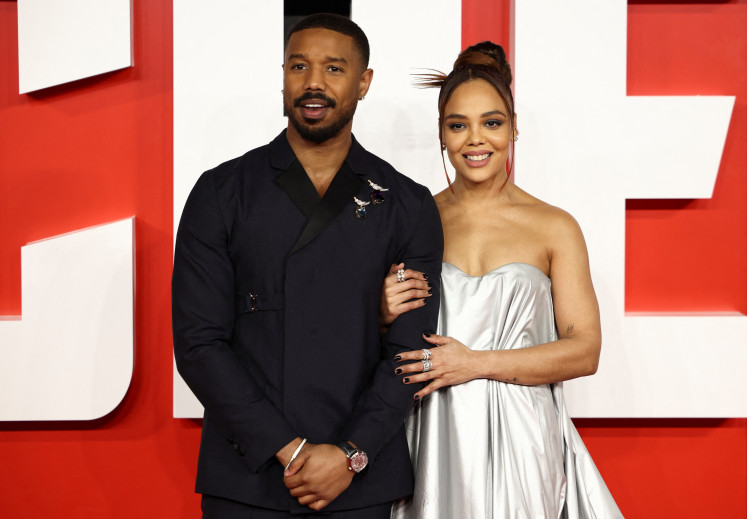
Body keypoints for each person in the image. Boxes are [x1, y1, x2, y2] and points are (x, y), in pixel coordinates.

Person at [172, 13, 443, 518]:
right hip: (249, 476)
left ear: (363, 83)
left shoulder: (407, 203)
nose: (313, 83)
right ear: (283, 74)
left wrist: (350, 455)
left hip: (359, 482)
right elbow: (198, 343)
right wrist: (289, 449)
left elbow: (410, 355)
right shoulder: (222, 192)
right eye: (299, 66)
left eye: (334, 69)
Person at [385, 42, 623, 518]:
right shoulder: (409, 221)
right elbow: (369, 347)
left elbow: (585, 350)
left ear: (514, 127)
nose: (476, 140)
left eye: (492, 123)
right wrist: (381, 313)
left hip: (525, 438)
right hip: (432, 433)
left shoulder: (555, 226)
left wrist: (474, 363)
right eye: (459, 125)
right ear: (441, 134)